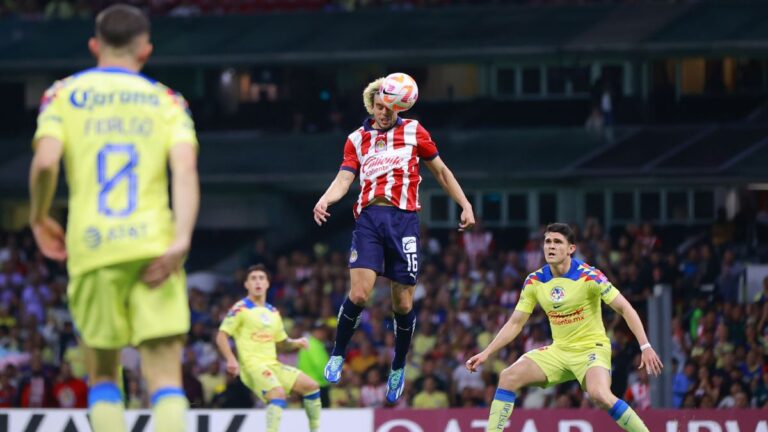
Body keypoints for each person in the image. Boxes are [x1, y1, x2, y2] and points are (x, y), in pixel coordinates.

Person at [28, 4, 199, 431]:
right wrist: (181, 238)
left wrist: (38, 217)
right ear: (145, 51)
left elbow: (46, 163)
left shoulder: (62, 94)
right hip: (154, 246)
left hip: (93, 247)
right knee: (164, 378)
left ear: (93, 45)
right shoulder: (168, 100)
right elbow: (184, 170)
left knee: (103, 375)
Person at [313, 76, 475, 403]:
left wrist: (465, 203)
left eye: (391, 107)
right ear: (371, 105)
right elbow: (345, 179)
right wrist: (326, 199)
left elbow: (441, 172)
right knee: (359, 293)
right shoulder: (356, 139)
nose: (385, 112)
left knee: (402, 303)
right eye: (379, 106)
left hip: (404, 222)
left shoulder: (415, 131)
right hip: (370, 219)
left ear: (399, 106)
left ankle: (398, 365)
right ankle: (338, 352)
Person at [466, 223, 663, 432]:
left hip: (591, 349)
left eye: (558, 242)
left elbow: (625, 308)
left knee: (599, 394)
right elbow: (515, 322)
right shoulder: (534, 281)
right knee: (507, 377)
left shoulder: (589, 276)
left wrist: (645, 346)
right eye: (548, 241)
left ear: (571, 249)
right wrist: (487, 352)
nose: (551, 246)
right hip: (559, 351)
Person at [216, 264, 321, 432]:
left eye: (261, 278)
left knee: (311, 386)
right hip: (252, 366)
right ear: (246, 285)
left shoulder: (273, 312)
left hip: (273, 364)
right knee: (277, 394)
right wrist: (230, 359)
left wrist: (296, 342)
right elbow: (221, 336)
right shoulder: (240, 309)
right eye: (253, 278)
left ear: (267, 284)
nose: (257, 282)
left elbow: (282, 343)